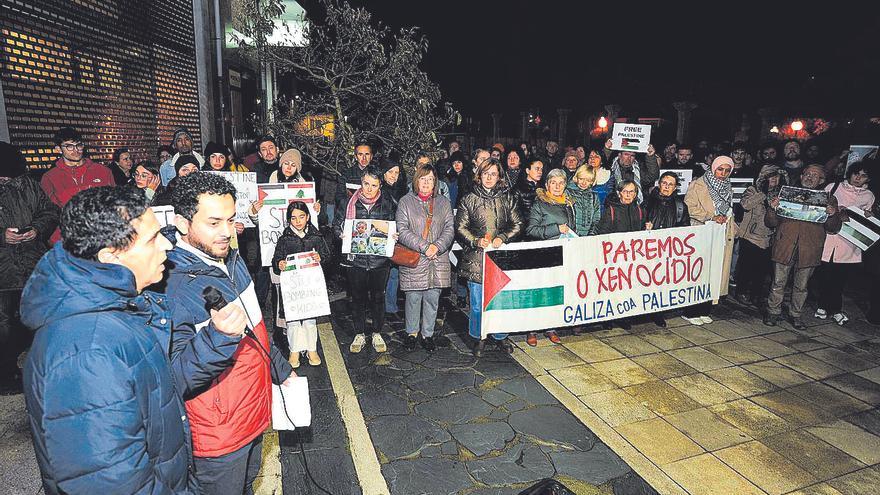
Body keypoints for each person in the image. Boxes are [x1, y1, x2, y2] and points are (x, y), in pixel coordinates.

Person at [22, 186, 243, 494]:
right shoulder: (87, 352)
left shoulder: (122, 305)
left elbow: (161, 389)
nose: (167, 245)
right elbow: (111, 483)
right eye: (153, 239)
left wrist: (215, 340)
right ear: (111, 256)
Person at [165, 172, 294, 494]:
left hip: (252, 412)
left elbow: (255, 327)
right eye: (213, 223)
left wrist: (280, 368)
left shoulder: (230, 258)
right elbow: (172, 378)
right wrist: (217, 338)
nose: (227, 232)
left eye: (231, 219)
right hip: (217, 436)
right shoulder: (169, 285)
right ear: (182, 223)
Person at [0, 143, 59, 394]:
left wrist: (36, 229)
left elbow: (50, 211)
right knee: (3, 323)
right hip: (3, 270)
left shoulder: (28, 186)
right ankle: (5, 374)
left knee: (40, 317)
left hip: (33, 262)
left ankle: (43, 368)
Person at [455, 158, 522, 356]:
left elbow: (518, 223)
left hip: (500, 258)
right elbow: (460, 227)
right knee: (477, 302)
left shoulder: (507, 197)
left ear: (499, 176)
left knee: (500, 300)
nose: (489, 177)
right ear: (479, 175)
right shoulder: (468, 198)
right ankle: (479, 336)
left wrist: (503, 237)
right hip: (476, 259)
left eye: (493, 174)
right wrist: (475, 240)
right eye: (486, 173)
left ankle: (500, 336)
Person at [764, 165, 842, 329]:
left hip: (809, 249)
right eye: (807, 174)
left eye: (815, 176)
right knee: (778, 282)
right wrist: (772, 209)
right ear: (801, 176)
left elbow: (834, 228)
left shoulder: (829, 199)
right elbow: (770, 222)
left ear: (821, 181)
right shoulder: (785, 194)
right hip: (785, 245)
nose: (810, 177)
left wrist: (833, 214)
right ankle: (773, 312)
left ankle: (796, 315)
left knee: (802, 286)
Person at [333, 165, 396, 354]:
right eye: (366, 184)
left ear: (380, 186)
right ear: (361, 182)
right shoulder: (348, 202)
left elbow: (394, 225)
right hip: (356, 260)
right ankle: (359, 333)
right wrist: (341, 234)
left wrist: (394, 235)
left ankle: (377, 332)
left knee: (378, 297)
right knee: (357, 298)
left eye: (374, 185)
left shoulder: (388, 202)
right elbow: (336, 225)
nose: (369, 189)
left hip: (379, 261)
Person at [396, 164, 454, 352]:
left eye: (430, 179)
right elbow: (402, 230)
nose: (426, 182)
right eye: (423, 178)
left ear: (435, 182)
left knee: (432, 298)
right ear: (416, 181)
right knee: (413, 297)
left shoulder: (443, 203)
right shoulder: (405, 202)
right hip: (415, 258)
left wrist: (437, 246)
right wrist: (425, 246)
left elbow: (449, 229)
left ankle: (427, 334)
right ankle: (411, 333)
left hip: (437, 258)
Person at [815, 162, 875, 325]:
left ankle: (834, 309)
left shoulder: (868, 195)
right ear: (850, 173)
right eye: (856, 173)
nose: (858, 178)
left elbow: (866, 221)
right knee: (824, 274)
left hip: (849, 242)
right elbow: (817, 206)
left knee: (840, 278)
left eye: (863, 175)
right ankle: (823, 305)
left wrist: (867, 216)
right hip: (829, 238)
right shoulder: (834, 187)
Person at [272, 201, 330, 367]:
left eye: (301, 217)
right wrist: (280, 264)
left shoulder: (316, 237)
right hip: (293, 289)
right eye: (293, 218)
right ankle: (294, 350)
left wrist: (321, 258)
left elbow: (327, 256)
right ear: (289, 220)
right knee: (293, 320)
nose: (298, 221)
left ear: (308, 217)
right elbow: (276, 260)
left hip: (311, 287)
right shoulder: (284, 240)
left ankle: (312, 349)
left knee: (310, 319)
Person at [681, 156, 737, 326]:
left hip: (721, 234)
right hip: (702, 232)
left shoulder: (728, 187)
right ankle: (691, 311)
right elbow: (689, 206)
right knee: (698, 272)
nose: (723, 173)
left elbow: (729, 209)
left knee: (714, 272)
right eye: (720, 169)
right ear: (713, 168)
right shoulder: (698, 184)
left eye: (727, 170)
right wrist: (711, 216)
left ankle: (705, 309)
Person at [526, 168, 576, 345]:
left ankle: (550, 328)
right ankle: (531, 329)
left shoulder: (568, 203)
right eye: (553, 182)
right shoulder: (539, 203)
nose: (557, 186)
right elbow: (531, 230)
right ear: (547, 185)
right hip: (543, 254)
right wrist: (556, 229)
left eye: (561, 183)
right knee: (539, 292)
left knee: (555, 292)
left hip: (562, 254)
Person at [41, 127, 115, 243]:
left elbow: (113, 204)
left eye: (79, 145)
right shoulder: (49, 178)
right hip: (66, 241)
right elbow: (49, 215)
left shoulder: (103, 171)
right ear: (58, 149)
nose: (76, 150)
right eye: (69, 146)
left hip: (100, 237)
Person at [598, 180, 650, 330]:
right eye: (625, 191)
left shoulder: (640, 211)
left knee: (627, 288)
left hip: (631, 257)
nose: (628, 195)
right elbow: (602, 234)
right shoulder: (611, 210)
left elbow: (641, 234)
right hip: (614, 257)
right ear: (619, 193)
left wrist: (648, 229)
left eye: (632, 191)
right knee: (611, 288)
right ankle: (607, 318)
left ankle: (623, 316)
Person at [643, 172, 690, 327]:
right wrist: (644, 226)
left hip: (667, 251)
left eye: (670, 184)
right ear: (659, 184)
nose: (666, 187)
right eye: (664, 183)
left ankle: (658, 313)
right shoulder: (647, 201)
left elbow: (685, 230)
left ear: (675, 187)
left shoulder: (681, 206)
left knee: (662, 283)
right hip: (647, 249)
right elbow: (637, 219)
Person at [735, 165, 786, 307]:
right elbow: (745, 205)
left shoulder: (780, 194)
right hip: (750, 236)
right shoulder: (753, 190)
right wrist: (763, 193)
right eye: (770, 177)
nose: (774, 179)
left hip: (769, 237)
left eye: (776, 176)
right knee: (747, 267)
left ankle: (756, 294)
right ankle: (741, 291)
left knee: (762, 270)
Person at [380, 158, 406, 320]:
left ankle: (390, 306)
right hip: (380, 234)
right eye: (390, 172)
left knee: (394, 273)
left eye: (397, 172)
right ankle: (377, 304)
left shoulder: (402, 190)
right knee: (380, 273)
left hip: (397, 235)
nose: (393, 176)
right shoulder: (377, 189)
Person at [566, 164, 602, 236]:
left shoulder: (594, 197)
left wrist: (591, 234)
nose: (584, 183)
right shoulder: (567, 192)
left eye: (588, 180)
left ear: (592, 181)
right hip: (570, 235)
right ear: (576, 178)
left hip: (588, 237)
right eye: (581, 179)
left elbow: (596, 219)